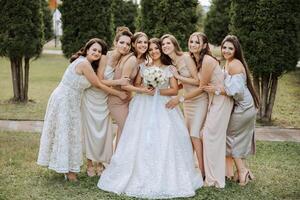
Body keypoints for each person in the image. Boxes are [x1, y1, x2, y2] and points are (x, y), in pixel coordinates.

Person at [98, 38, 202, 199]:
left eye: (156, 49)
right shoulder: (142, 66)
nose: (154, 51)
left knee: (165, 137)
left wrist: (159, 91)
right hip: (142, 105)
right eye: (151, 49)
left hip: (163, 105)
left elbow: (174, 90)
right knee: (137, 137)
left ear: (161, 50)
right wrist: (145, 88)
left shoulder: (170, 68)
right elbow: (138, 84)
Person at [37, 38, 127, 181]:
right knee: (66, 133)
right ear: (87, 50)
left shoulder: (87, 63)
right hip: (64, 99)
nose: (97, 53)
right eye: (94, 50)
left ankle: (68, 169)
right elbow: (98, 84)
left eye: (99, 51)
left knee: (70, 133)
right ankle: (69, 172)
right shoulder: (84, 63)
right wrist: (118, 91)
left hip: (72, 100)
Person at [166, 32, 233, 188]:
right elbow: (194, 83)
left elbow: (201, 86)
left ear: (204, 46)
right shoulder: (194, 58)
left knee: (199, 134)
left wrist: (180, 96)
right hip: (208, 99)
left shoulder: (208, 60)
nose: (193, 44)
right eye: (191, 41)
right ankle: (196, 169)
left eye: (197, 42)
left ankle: (205, 174)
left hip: (217, 99)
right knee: (194, 136)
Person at [209, 35, 259, 186]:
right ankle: (241, 171)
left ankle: (242, 171)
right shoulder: (229, 63)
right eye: (224, 47)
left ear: (236, 50)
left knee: (231, 137)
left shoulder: (235, 64)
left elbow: (237, 91)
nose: (226, 50)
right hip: (245, 107)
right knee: (235, 137)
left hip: (244, 108)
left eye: (230, 48)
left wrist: (217, 90)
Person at [81, 36, 131, 177]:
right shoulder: (105, 57)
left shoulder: (124, 59)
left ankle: (101, 162)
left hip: (105, 98)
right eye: (122, 42)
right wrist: (118, 89)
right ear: (115, 42)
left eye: (128, 44)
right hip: (92, 96)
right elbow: (99, 80)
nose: (124, 46)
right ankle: (90, 163)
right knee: (90, 130)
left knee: (104, 131)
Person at [161, 33, 208, 178]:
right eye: (163, 44)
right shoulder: (171, 63)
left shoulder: (186, 57)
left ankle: (203, 172)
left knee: (194, 134)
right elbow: (183, 84)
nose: (165, 46)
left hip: (199, 99)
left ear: (175, 45)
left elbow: (197, 81)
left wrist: (177, 76)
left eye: (168, 43)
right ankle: (189, 167)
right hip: (187, 101)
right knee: (187, 136)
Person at [107, 27, 152, 147]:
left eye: (145, 42)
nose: (143, 45)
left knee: (122, 131)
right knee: (128, 130)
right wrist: (142, 90)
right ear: (134, 44)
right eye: (139, 42)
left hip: (127, 100)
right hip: (116, 100)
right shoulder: (131, 59)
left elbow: (135, 82)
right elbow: (124, 84)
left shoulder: (142, 60)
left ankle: (117, 159)